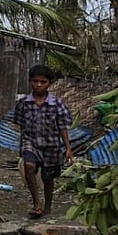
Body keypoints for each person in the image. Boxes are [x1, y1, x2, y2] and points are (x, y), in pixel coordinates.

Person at [14, 65, 73, 219]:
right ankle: (36, 204)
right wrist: (22, 147)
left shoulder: (57, 104)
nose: (39, 85)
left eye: (43, 82)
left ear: (50, 83)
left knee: (48, 179)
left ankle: (47, 207)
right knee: (29, 165)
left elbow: (63, 127)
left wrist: (68, 148)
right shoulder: (24, 103)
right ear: (30, 81)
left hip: (51, 146)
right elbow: (21, 126)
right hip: (30, 142)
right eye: (35, 81)